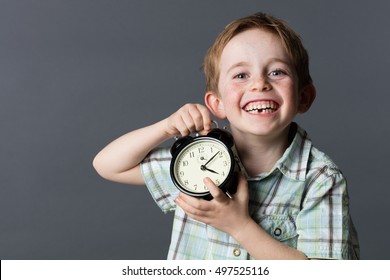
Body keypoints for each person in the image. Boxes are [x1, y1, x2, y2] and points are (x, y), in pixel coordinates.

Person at [93, 12, 359, 259]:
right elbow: (107, 165)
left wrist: (240, 226)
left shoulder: (320, 179)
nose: (259, 83)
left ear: (304, 97)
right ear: (217, 103)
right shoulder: (197, 158)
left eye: (277, 71)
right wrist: (166, 127)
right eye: (241, 75)